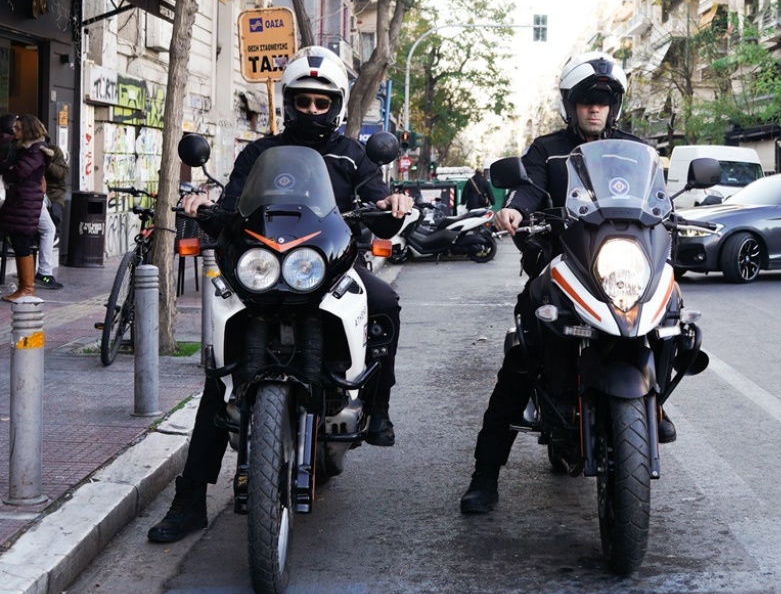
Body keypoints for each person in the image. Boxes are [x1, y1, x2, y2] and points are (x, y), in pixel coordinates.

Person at [148, 46, 414, 543]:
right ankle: (189, 502)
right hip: (266, 271)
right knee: (220, 379)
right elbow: (233, 203)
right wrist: (205, 205)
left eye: (321, 102)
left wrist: (392, 202)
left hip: (329, 268)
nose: (311, 109)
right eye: (303, 100)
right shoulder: (260, 154)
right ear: (289, 102)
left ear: (335, 105)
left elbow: (379, 203)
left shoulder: (352, 155)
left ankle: (378, 407)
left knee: (385, 304)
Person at [458, 52, 676, 515]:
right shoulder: (546, 149)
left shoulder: (635, 150)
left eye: (604, 100)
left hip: (618, 267)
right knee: (523, 355)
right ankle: (485, 475)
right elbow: (529, 188)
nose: (595, 108)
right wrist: (514, 209)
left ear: (614, 106)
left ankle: (653, 402)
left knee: (672, 314)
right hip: (562, 263)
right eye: (585, 100)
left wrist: (676, 218)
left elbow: (660, 203)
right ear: (570, 104)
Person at [0, 114, 49, 302]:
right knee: (18, 241)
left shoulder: (35, 151)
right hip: (20, 202)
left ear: (28, 130)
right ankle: (24, 287)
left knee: (21, 243)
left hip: (25, 203)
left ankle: (27, 288)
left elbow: (18, 172)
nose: (14, 130)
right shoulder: (22, 148)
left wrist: (9, 169)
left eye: (18, 128)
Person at [31, 138, 68, 290]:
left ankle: (40, 273)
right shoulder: (27, 150)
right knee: (45, 230)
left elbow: (62, 173)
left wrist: (47, 162)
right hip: (34, 195)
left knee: (53, 218)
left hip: (52, 194)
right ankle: (38, 275)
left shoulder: (54, 152)